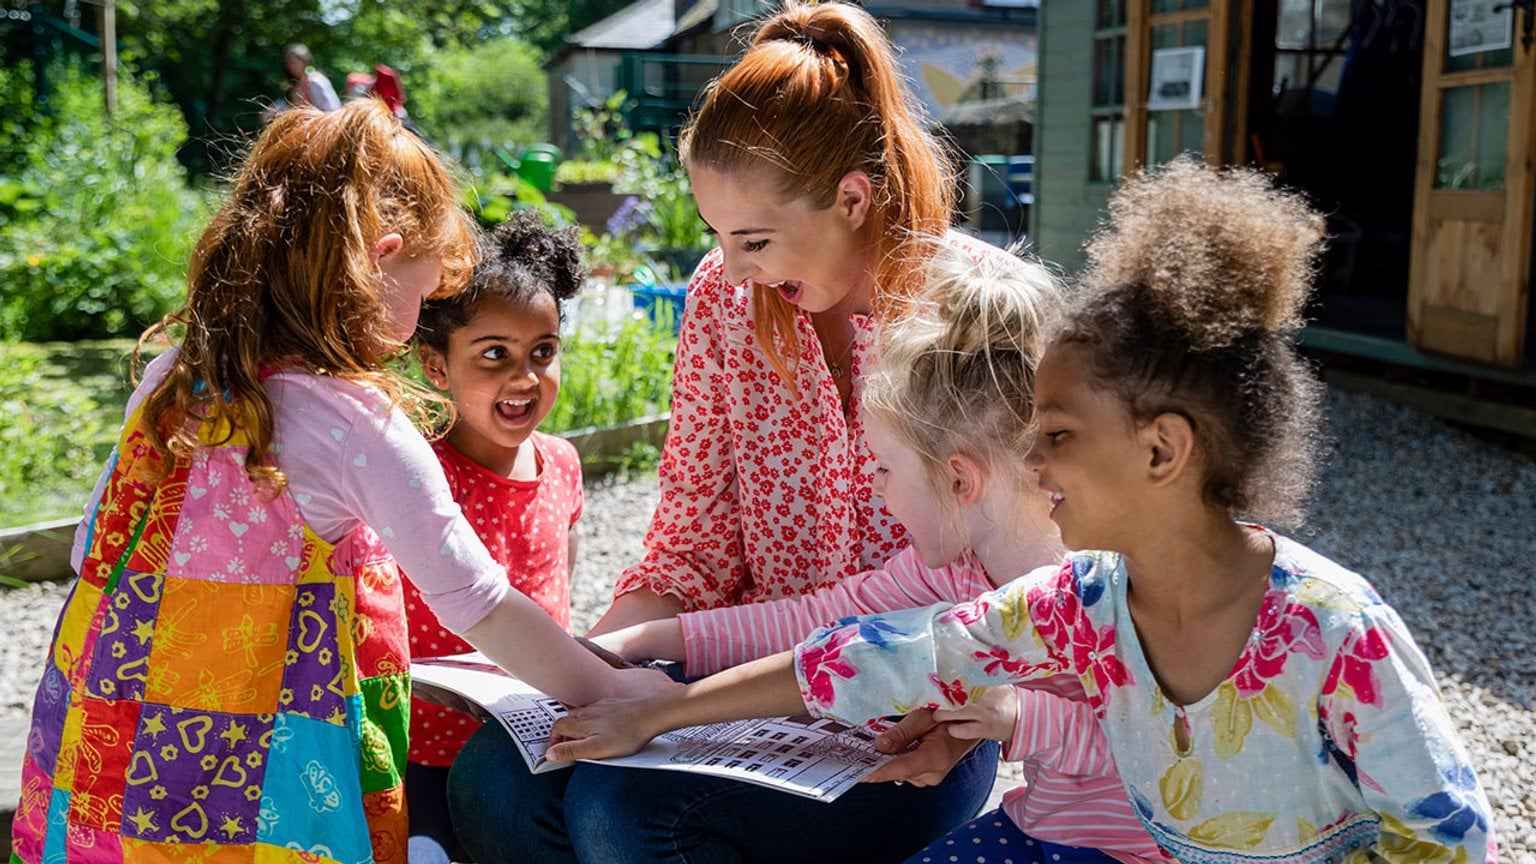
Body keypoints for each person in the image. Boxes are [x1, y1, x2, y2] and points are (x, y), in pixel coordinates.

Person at [545, 158, 1500, 864]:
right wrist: (665, 701)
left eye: (1059, 436)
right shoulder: (1078, 603)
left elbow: (1449, 837)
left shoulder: (1335, 631)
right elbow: (867, 655)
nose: (1033, 464)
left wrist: (1013, 718)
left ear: (1162, 451)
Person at [8, 100, 668, 864]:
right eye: (423, 291)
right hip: (267, 768)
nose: (420, 316)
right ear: (380, 262)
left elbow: (93, 547)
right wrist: (614, 692)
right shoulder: (355, 426)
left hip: (115, 744)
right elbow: (480, 602)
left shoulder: (170, 379)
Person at [447, 2, 1015, 861]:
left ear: (851, 199)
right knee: (497, 777)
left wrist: (659, 677)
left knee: (623, 813)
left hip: (913, 711)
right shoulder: (724, 297)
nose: (734, 270)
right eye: (719, 237)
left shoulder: (971, 314)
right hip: (733, 674)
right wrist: (587, 671)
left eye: (753, 240)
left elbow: (991, 590)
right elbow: (692, 541)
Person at [594, 242, 1168, 864]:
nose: (873, 485)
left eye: (885, 468)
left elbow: (1173, 752)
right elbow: (820, 619)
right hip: (1041, 828)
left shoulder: (1111, 588)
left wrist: (1025, 719)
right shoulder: (959, 568)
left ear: (959, 480)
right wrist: (647, 639)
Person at [401, 212, 588, 864]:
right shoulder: (415, 471)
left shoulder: (561, 463)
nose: (525, 377)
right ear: (436, 365)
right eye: (494, 355)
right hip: (418, 753)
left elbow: (559, 596)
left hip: (534, 742)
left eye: (543, 351)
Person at [283, 43, 341, 112]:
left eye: (294, 62)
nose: (290, 66)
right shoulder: (294, 86)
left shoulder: (316, 81)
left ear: (304, 61)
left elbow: (333, 108)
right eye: (288, 62)